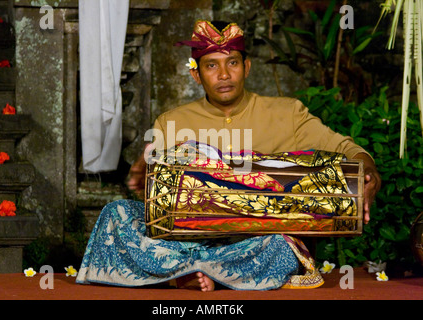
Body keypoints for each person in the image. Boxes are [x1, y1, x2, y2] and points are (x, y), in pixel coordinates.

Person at [77, 20, 381, 292]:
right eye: (211, 65)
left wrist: (369, 173)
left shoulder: (287, 113)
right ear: (196, 75)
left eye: (232, 62)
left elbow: (347, 149)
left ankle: (185, 274)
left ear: (246, 67)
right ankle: (206, 272)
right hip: (185, 238)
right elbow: (155, 199)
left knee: (281, 247)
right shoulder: (172, 122)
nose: (224, 74)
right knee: (116, 215)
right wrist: (144, 179)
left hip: (253, 241)